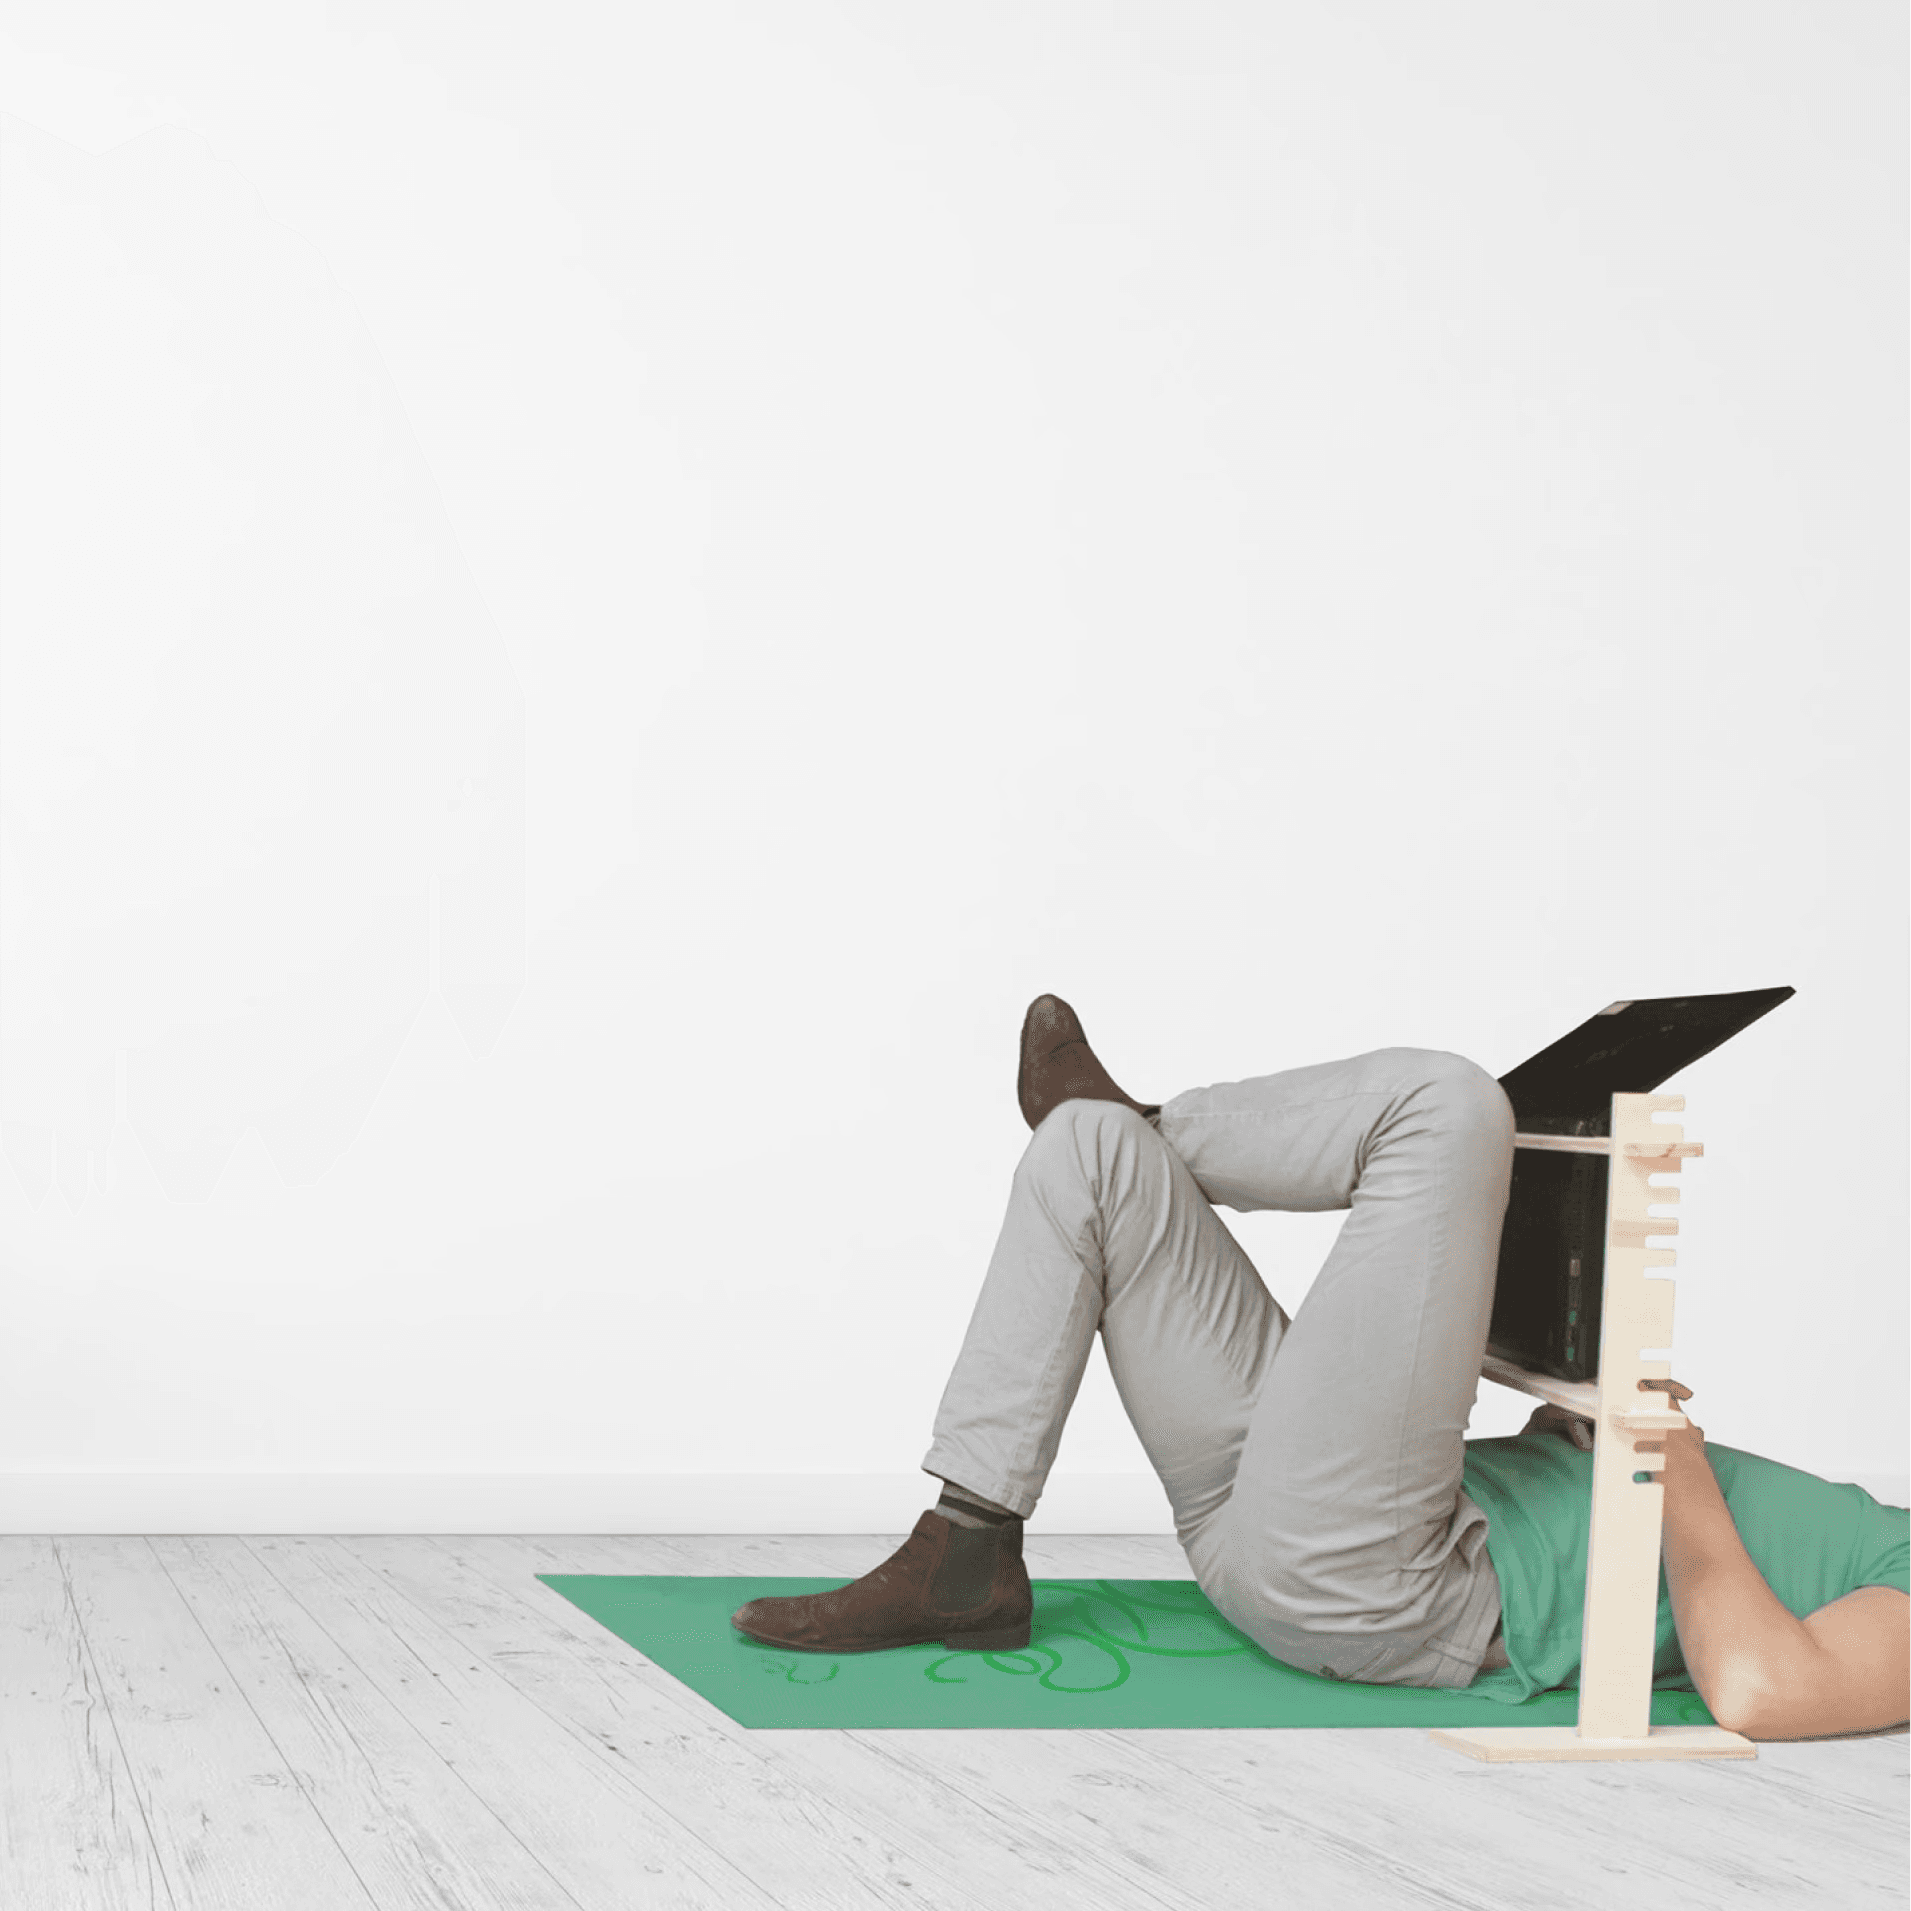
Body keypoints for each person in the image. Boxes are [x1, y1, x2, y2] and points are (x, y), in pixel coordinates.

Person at [733, 998, 1911, 1738]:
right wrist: (1576, 1430)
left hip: (1384, 1576)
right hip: (1294, 1517)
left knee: (1446, 1106)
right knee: (1085, 1154)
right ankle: (968, 1551)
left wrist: (1672, 1467)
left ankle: (1157, 1120)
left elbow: (1766, 1689)